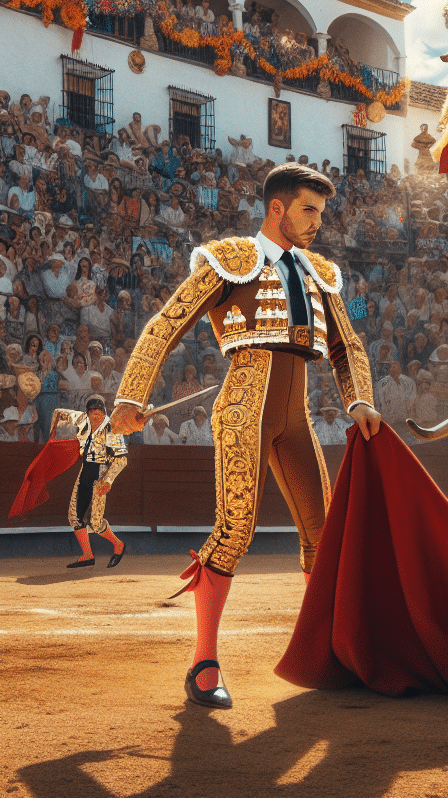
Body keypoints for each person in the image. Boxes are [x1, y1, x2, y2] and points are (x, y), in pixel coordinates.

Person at [111, 163, 381, 710]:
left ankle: (323, 651)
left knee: (322, 531)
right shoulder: (231, 259)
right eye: (309, 210)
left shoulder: (318, 272)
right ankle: (204, 663)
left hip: (294, 413)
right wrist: (131, 394)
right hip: (243, 405)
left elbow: (346, 345)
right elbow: (167, 323)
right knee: (237, 526)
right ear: (277, 208)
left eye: (321, 214)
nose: (317, 224)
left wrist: (360, 398)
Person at [51, 395, 128, 569]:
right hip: (85, 470)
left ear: (104, 413)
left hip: (100, 474)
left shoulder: (112, 429)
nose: (95, 415)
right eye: (92, 412)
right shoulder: (83, 419)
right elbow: (60, 413)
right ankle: (87, 554)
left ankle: (118, 545)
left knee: (95, 521)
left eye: (99, 412)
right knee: (75, 517)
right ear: (88, 413)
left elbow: (121, 460)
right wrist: (54, 427)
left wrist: (108, 480)